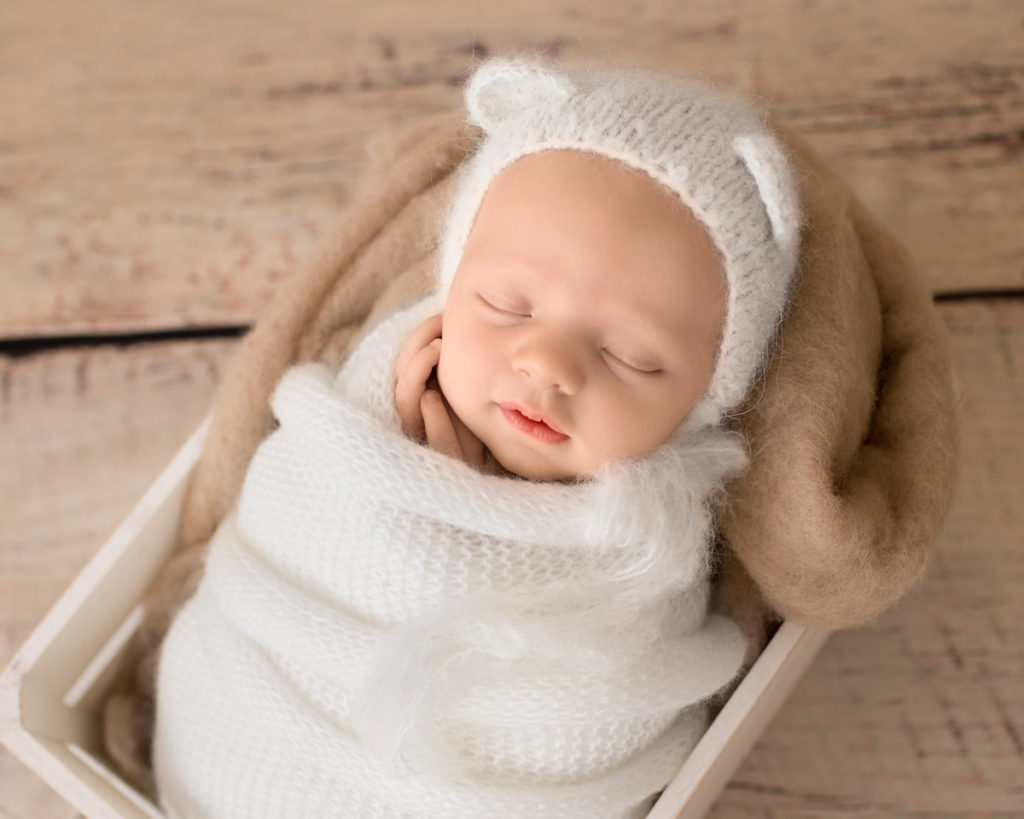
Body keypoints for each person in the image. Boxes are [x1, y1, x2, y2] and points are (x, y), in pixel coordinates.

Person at [152, 58, 800, 819]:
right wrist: (418, 486)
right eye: (506, 304)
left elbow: (595, 697)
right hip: (236, 754)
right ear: (451, 290)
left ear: (702, 401)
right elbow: (293, 524)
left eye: (632, 356)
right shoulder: (368, 407)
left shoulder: (653, 550)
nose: (548, 364)